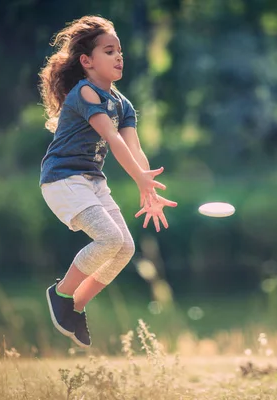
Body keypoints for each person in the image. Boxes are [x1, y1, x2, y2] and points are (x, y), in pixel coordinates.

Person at [38, 15, 177, 348]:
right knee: (108, 238)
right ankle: (60, 294)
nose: (119, 57)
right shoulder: (85, 91)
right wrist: (140, 181)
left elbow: (134, 148)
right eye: (109, 51)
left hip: (91, 182)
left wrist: (149, 188)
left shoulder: (122, 103)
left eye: (120, 52)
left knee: (124, 247)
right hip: (63, 179)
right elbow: (112, 138)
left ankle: (75, 306)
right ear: (87, 61)